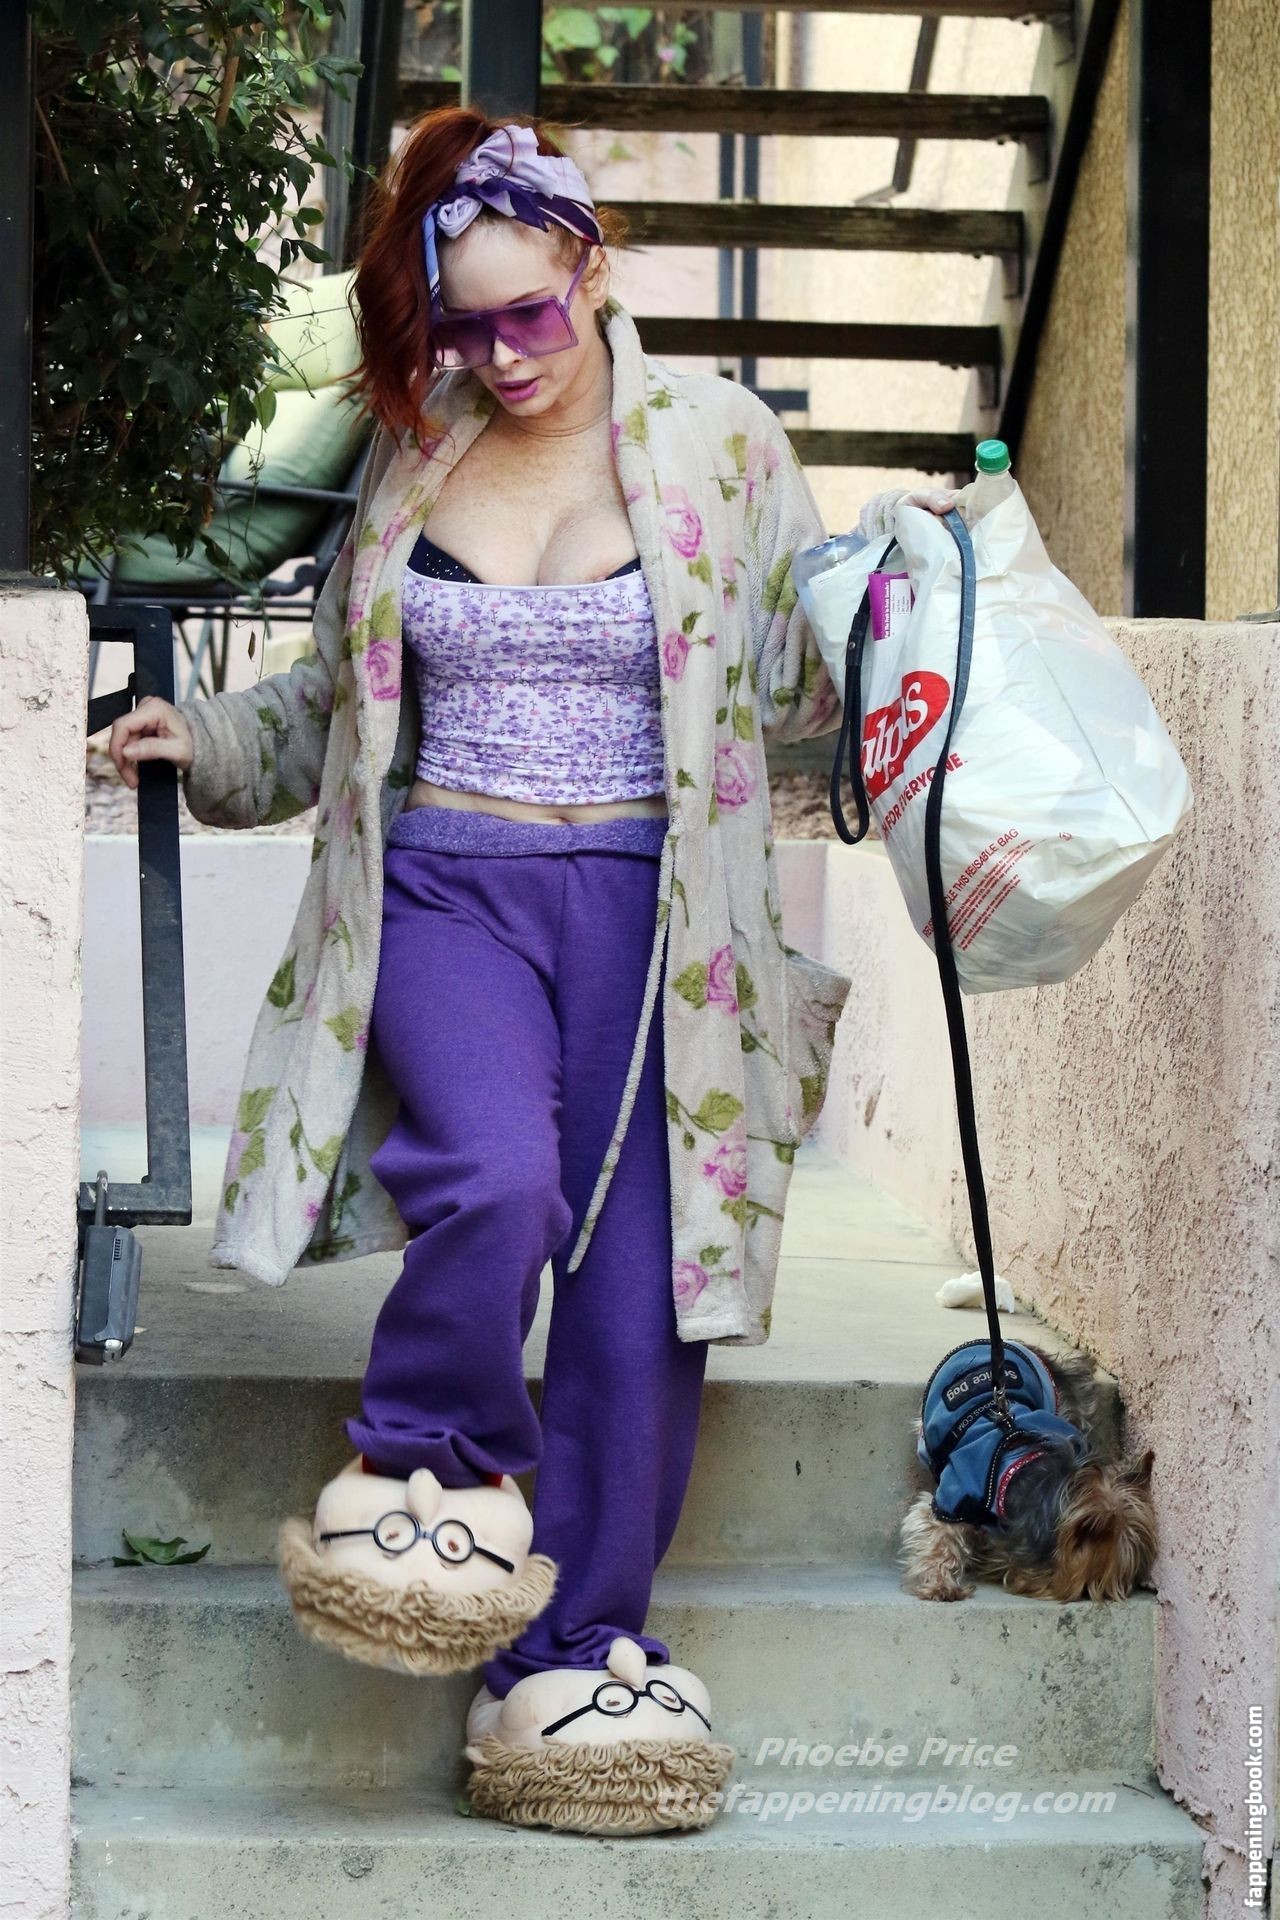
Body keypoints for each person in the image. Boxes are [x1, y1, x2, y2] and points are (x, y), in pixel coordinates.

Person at [109, 106, 961, 1837]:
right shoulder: (416, 449)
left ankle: (569, 1662)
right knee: (496, 1180)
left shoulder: (724, 445)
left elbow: (802, 686)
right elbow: (335, 695)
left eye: (530, 311)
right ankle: (427, 1480)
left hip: (664, 921)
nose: (502, 354)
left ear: (590, 261)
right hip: (451, 889)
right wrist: (206, 744)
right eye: (465, 322)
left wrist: (905, 584)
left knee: (642, 1295)